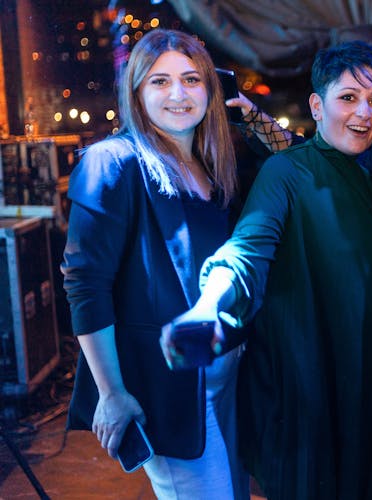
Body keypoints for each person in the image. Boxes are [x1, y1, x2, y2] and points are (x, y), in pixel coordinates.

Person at [162, 41, 372, 500]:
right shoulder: (285, 172)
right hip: (306, 390)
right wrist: (210, 307)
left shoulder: (371, 176)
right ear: (317, 106)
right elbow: (246, 250)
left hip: (364, 385)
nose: (364, 112)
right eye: (348, 98)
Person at [61, 28, 290, 498]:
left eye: (191, 80)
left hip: (224, 374)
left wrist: (251, 118)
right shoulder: (112, 163)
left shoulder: (214, 167)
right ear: (136, 91)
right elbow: (85, 284)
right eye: (160, 82)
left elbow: (306, 159)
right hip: (166, 387)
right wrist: (111, 393)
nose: (178, 94)